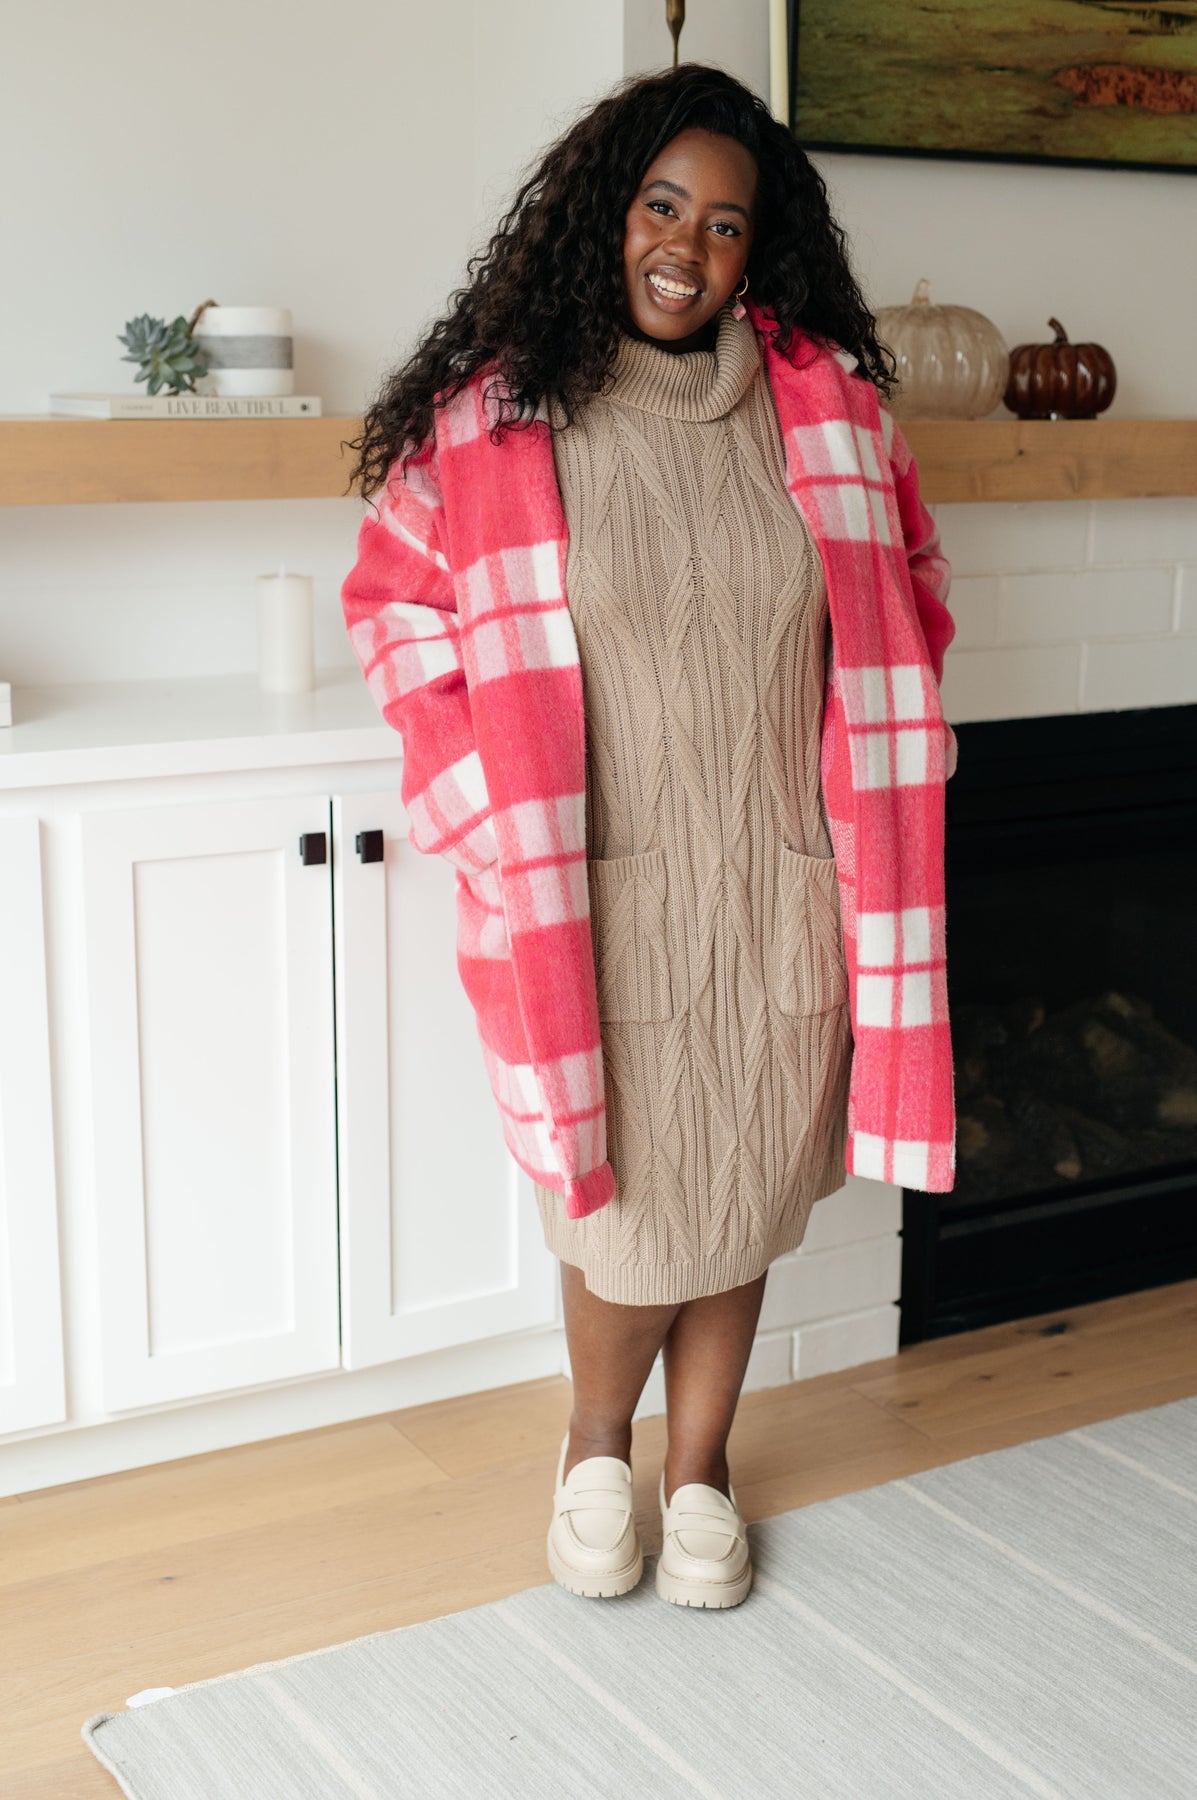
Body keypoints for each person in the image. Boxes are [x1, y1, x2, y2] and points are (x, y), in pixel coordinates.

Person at [340, 63, 957, 1612]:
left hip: (783, 881)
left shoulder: (828, 414)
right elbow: (396, 615)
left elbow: (911, 586)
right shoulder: (496, 419)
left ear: (765, 253)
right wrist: (484, 819)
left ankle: (701, 1469)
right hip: (592, 888)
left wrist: (892, 732)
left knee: (741, 1179)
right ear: (605, 214)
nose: (685, 244)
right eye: (660, 204)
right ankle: (593, 1444)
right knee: (620, 1202)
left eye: (726, 224)